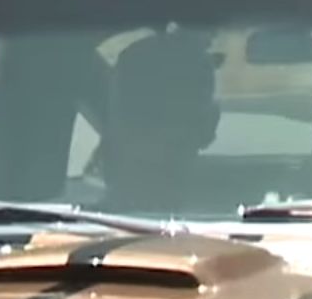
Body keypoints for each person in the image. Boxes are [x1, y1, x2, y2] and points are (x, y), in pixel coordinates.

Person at [73, 26, 225, 214]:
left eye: (166, 116)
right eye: (141, 115)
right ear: (210, 123)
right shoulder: (243, 219)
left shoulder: (66, 225)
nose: (154, 141)